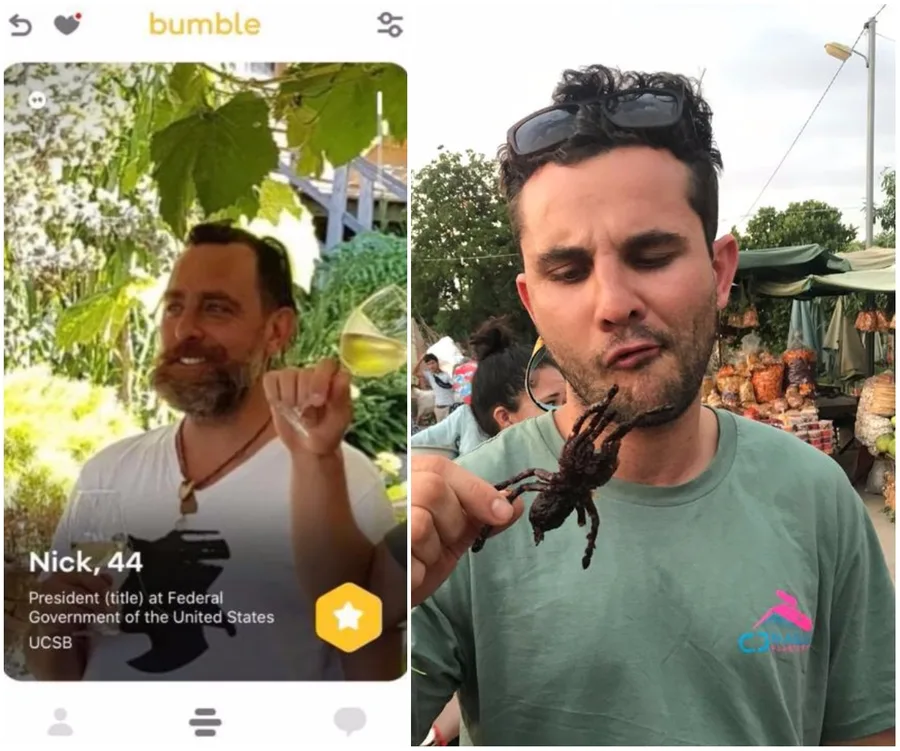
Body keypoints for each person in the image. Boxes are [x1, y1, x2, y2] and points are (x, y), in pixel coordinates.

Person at [410, 65, 895, 746]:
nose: (613, 304)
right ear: (532, 303)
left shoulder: (820, 500)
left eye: (652, 254)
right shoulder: (463, 525)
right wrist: (357, 608)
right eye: (568, 270)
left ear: (721, 270)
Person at [27, 222, 400, 681]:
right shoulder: (106, 474)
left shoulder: (341, 481)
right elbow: (58, 673)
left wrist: (316, 460)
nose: (185, 328)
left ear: (277, 331)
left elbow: (370, 668)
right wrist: (50, 622)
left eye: (216, 309)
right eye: (174, 306)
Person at [412, 317, 566, 457]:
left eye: (567, 401)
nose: (568, 412)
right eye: (551, 403)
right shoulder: (479, 472)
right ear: (504, 417)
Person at [416, 353, 457, 421]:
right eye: (428, 364)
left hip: (449, 408)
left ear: (437, 363)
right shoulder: (429, 375)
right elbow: (414, 372)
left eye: (433, 363)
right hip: (438, 409)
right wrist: (420, 360)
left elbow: (455, 386)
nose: (431, 366)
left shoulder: (446, 375)